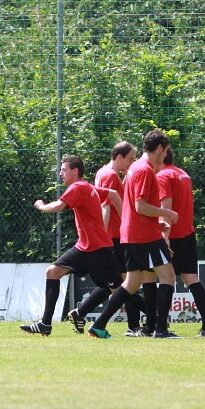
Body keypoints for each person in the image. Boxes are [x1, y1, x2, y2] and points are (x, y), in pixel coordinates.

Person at [87, 129, 180, 339]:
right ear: (159, 148)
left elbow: (135, 205)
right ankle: (161, 330)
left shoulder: (135, 167)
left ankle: (98, 325)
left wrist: (157, 219)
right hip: (144, 235)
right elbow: (140, 206)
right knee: (168, 276)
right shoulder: (144, 169)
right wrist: (166, 213)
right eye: (166, 150)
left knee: (131, 283)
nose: (166, 155)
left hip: (130, 233)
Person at [20, 156, 122, 336]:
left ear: (75, 171)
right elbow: (113, 194)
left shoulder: (78, 187)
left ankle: (154, 320)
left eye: (64, 169)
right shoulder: (85, 187)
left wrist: (41, 206)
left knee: (121, 290)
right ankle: (45, 324)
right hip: (84, 247)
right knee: (52, 272)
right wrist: (125, 219)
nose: (60, 173)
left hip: (98, 248)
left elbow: (58, 206)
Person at [67, 141, 147, 336]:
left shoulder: (104, 172)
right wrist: (103, 236)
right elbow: (105, 206)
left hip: (114, 235)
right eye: (130, 159)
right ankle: (135, 325)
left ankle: (81, 312)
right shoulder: (110, 175)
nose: (132, 163)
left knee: (116, 283)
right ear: (119, 157)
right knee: (126, 283)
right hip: (116, 236)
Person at [157, 147, 205, 337]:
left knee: (165, 279)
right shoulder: (183, 174)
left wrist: (165, 238)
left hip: (173, 235)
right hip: (187, 233)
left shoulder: (163, 176)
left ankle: (160, 327)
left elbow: (166, 208)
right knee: (191, 279)